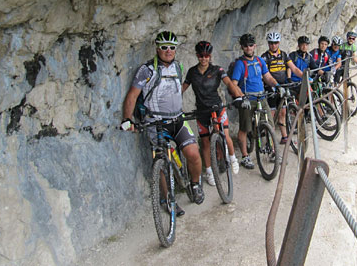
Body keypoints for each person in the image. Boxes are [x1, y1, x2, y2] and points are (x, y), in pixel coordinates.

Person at [121, 31, 205, 213]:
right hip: (156, 122)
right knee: (160, 161)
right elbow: (132, 96)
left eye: (172, 47)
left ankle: (195, 184)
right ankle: (168, 200)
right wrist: (127, 119)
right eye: (164, 47)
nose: (168, 51)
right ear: (157, 48)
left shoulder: (178, 67)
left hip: (178, 118)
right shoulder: (147, 70)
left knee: (193, 153)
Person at [182, 41, 246, 186]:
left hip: (217, 107)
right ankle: (209, 171)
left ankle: (232, 158)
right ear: (197, 56)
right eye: (200, 55)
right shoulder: (192, 72)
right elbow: (183, 88)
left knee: (225, 134)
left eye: (206, 55)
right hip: (201, 110)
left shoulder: (217, 70)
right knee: (204, 142)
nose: (204, 58)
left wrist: (238, 97)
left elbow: (229, 83)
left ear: (210, 56)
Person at [230, 33, 284, 169]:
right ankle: (245, 156)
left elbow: (267, 77)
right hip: (248, 99)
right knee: (244, 128)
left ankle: (272, 151)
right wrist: (241, 97)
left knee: (270, 125)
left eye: (251, 45)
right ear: (242, 47)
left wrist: (277, 86)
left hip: (262, 97)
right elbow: (233, 83)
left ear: (255, 46)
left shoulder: (260, 61)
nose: (248, 48)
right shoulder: (240, 64)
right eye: (246, 46)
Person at [261, 32, 303, 144]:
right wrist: (273, 85)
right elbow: (265, 75)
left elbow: (294, 68)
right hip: (271, 88)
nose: (273, 45)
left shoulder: (284, 55)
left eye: (275, 43)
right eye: (271, 43)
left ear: (278, 43)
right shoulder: (264, 57)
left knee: (283, 112)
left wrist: (305, 76)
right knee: (272, 115)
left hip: (283, 87)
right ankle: (271, 141)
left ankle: (284, 137)